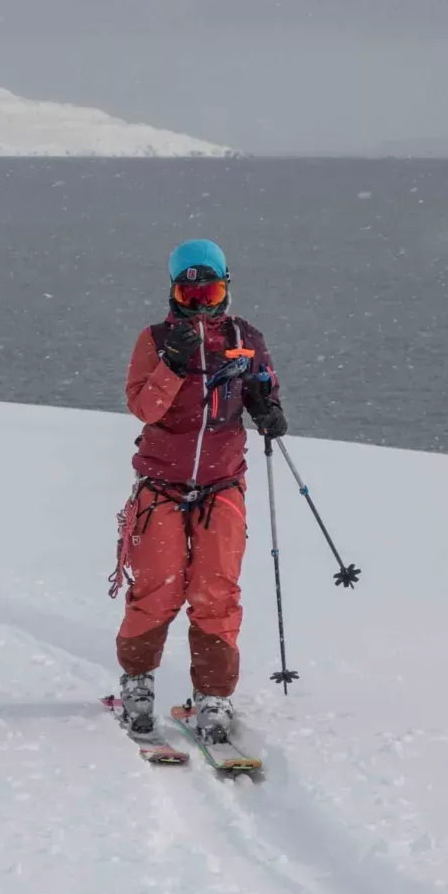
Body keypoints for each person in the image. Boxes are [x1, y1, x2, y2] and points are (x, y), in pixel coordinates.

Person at [110, 238, 287, 745]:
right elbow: (144, 408)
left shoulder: (244, 336)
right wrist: (173, 364)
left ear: (226, 288)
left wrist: (268, 409)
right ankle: (137, 679)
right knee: (158, 586)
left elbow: (264, 388)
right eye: (189, 295)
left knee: (216, 590)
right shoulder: (154, 339)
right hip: (161, 484)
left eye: (209, 293)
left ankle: (213, 694)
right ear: (172, 292)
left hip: (222, 482)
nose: (201, 305)